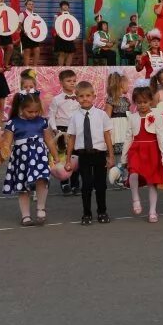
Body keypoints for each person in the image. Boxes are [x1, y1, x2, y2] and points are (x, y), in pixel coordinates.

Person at [2, 92, 59, 226]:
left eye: (36, 111)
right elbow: (7, 143)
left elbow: (49, 140)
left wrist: (55, 155)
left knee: (42, 179)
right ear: (21, 108)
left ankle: (41, 208)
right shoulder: (13, 123)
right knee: (22, 186)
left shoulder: (42, 121)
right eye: (30, 111)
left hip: (39, 156)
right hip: (21, 158)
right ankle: (25, 215)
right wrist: (2, 155)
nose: (34, 114)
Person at [65, 80, 114, 225]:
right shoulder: (74, 117)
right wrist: (68, 159)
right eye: (81, 96)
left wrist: (110, 156)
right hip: (83, 155)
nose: (85, 99)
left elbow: (107, 136)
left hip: (99, 154)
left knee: (100, 185)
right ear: (76, 97)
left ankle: (102, 211)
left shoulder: (101, 115)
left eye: (88, 95)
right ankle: (86, 213)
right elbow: (72, 139)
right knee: (86, 185)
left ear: (94, 96)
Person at [123, 84, 163, 224]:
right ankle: (136, 198)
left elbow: (160, 137)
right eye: (139, 102)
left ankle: (152, 211)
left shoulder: (157, 116)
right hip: (136, 148)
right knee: (133, 173)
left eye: (145, 102)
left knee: (152, 182)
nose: (142, 105)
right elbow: (128, 137)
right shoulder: (132, 117)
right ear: (135, 103)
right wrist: (124, 157)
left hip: (152, 150)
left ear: (151, 101)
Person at [48, 69, 80, 194]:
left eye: (74, 81)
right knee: (63, 158)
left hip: (76, 130)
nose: (72, 83)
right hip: (62, 130)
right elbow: (51, 116)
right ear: (61, 82)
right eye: (68, 81)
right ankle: (64, 183)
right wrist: (55, 130)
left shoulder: (79, 97)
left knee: (75, 157)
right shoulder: (57, 99)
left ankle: (75, 184)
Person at [104, 71, 130, 160]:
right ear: (121, 85)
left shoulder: (126, 100)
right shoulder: (111, 99)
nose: (128, 86)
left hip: (125, 126)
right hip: (115, 128)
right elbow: (107, 117)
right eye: (127, 84)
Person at [0, 0, 16, 67]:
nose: (1, 0)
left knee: (10, 47)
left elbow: (12, 19)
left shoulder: (8, 9)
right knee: (0, 48)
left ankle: (6, 64)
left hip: (6, 31)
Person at [19, 0, 43, 67]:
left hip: (34, 36)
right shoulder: (22, 14)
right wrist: (24, 31)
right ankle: (26, 66)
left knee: (37, 50)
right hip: (25, 35)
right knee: (27, 50)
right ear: (26, 5)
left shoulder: (35, 15)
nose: (31, 5)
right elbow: (19, 25)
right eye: (29, 4)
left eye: (32, 4)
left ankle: (35, 66)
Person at [53, 1, 77, 66]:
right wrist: (56, 34)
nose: (65, 6)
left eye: (67, 5)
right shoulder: (57, 15)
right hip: (60, 36)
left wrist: (75, 35)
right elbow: (55, 25)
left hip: (69, 37)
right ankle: (61, 68)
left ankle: (67, 67)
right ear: (61, 7)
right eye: (64, 5)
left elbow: (75, 26)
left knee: (71, 53)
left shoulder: (71, 16)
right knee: (62, 53)